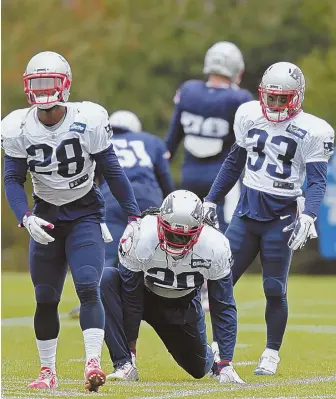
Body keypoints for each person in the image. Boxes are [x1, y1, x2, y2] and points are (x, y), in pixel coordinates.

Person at [2, 51, 141, 392]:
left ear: (65, 84)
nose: (44, 91)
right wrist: (25, 216)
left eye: (50, 83)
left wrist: (134, 214)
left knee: (87, 285)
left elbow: (112, 169)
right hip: (46, 215)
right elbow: (11, 178)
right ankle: (47, 371)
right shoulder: (17, 125)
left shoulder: (87, 118)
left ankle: (92, 362)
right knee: (46, 296)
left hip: (84, 213)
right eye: (38, 84)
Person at [203, 62, 335, 376]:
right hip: (246, 213)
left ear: (297, 96)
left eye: (283, 98)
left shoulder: (315, 130)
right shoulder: (248, 114)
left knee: (274, 288)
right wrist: (211, 198)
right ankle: (219, 346)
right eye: (271, 98)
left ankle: (271, 353)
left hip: (282, 218)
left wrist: (310, 216)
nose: (275, 105)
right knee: (221, 282)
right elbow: (234, 162)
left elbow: (317, 182)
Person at [100, 190, 245, 384]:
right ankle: (124, 364)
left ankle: (214, 359)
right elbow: (131, 298)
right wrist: (130, 353)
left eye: (183, 237)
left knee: (198, 368)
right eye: (171, 234)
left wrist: (226, 363)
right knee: (107, 279)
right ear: (160, 222)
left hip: (181, 305)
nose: (176, 242)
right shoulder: (140, 234)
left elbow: (223, 304)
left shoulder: (215, 245)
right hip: (143, 293)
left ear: (199, 230)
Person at [68, 110, 174, 318]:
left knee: (107, 254)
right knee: (157, 252)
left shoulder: (100, 142)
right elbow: (165, 178)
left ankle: (93, 302)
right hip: (148, 197)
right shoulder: (151, 142)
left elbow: (90, 177)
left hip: (112, 196)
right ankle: (163, 302)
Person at [165, 41, 253, 233]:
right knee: (226, 235)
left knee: (187, 233)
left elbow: (172, 139)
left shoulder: (188, 90)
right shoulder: (239, 99)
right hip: (223, 179)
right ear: (236, 69)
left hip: (189, 174)